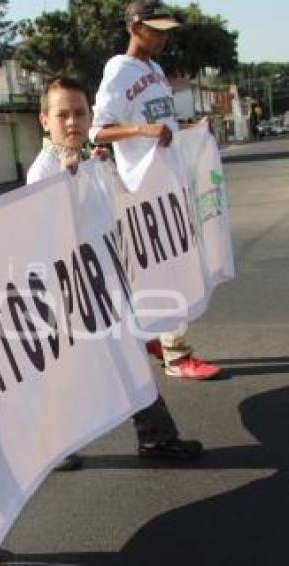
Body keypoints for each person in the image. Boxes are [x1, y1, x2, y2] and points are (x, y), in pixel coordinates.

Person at [31, 77, 203, 461]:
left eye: (79, 113)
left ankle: (154, 436)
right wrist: (69, 178)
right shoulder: (42, 173)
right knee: (74, 373)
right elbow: (51, 234)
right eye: (63, 115)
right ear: (45, 120)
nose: (72, 122)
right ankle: (57, 446)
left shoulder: (93, 163)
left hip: (107, 287)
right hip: (72, 295)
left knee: (126, 362)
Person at [90, 0, 222, 381]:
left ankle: (154, 336)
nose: (163, 37)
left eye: (166, 30)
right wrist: (143, 131)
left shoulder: (156, 70)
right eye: (156, 29)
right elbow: (99, 130)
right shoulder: (118, 69)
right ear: (134, 28)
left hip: (171, 184)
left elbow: (160, 122)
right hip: (144, 190)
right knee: (171, 267)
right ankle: (176, 355)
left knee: (168, 266)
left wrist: (192, 127)